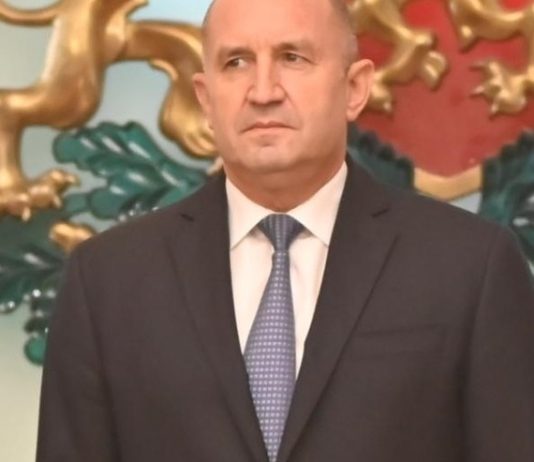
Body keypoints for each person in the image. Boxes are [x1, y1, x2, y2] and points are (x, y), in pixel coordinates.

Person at [36, 0, 534, 461]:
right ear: (205, 99)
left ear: (355, 88)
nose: (263, 92)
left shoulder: (470, 267)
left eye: (292, 58)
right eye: (236, 62)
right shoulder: (106, 280)